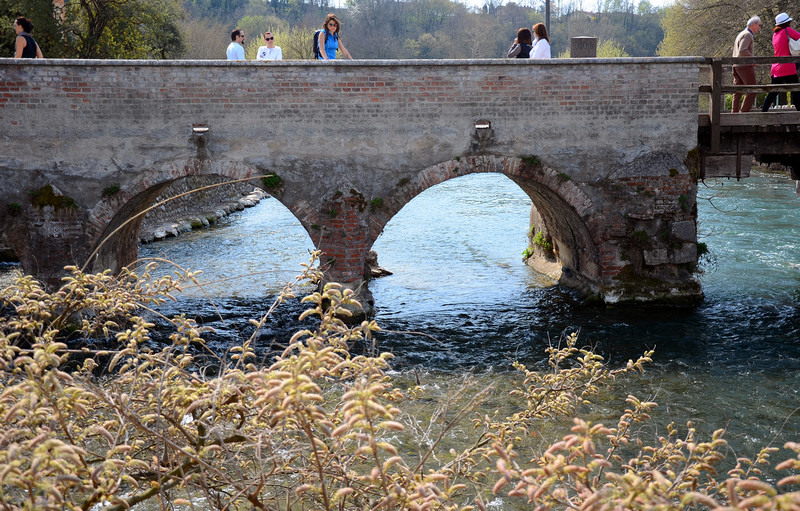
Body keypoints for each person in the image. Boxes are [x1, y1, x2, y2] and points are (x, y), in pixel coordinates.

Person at [762, 12, 800, 111]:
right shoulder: (787, 30)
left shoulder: (775, 34)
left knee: (773, 92)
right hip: (788, 67)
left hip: (776, 68)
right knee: (796, 92)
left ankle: (764, 111)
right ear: (787, 23)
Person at [732, 16, 761, 112]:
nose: (759, 28)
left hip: (736, 66)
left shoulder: (741, 34)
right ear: (754, 24)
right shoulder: (748, 34)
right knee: (753, 89)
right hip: (744, 66)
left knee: (737, 92)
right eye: (759, 25)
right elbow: (743, 50)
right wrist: (753, 60)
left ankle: (734, 114)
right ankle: (743, 113)